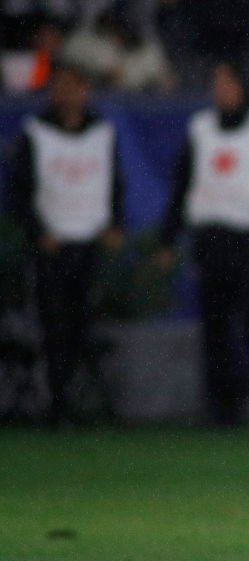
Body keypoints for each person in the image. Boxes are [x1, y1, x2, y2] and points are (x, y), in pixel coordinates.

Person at [157, 61, 249, 427]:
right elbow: (181, 184)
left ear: (244, 87)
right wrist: (167, 238)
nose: (221, 90)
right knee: (215, 330)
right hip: (210, 239)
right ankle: (222, 408)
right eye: (216, 83)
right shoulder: (200, 129)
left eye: (228, 82)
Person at [7, 60, 124, 426]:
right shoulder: (35, 132)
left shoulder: (101, 133)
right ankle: (56, 403)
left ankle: (78, 403)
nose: (69, 93)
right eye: (61, 86)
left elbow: (115, 184)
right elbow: (18, 193)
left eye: (75, 86)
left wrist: (113, 225)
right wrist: (38, 230)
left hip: (90, 243)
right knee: (52, 325)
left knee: (82, 326)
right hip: (52, 245)